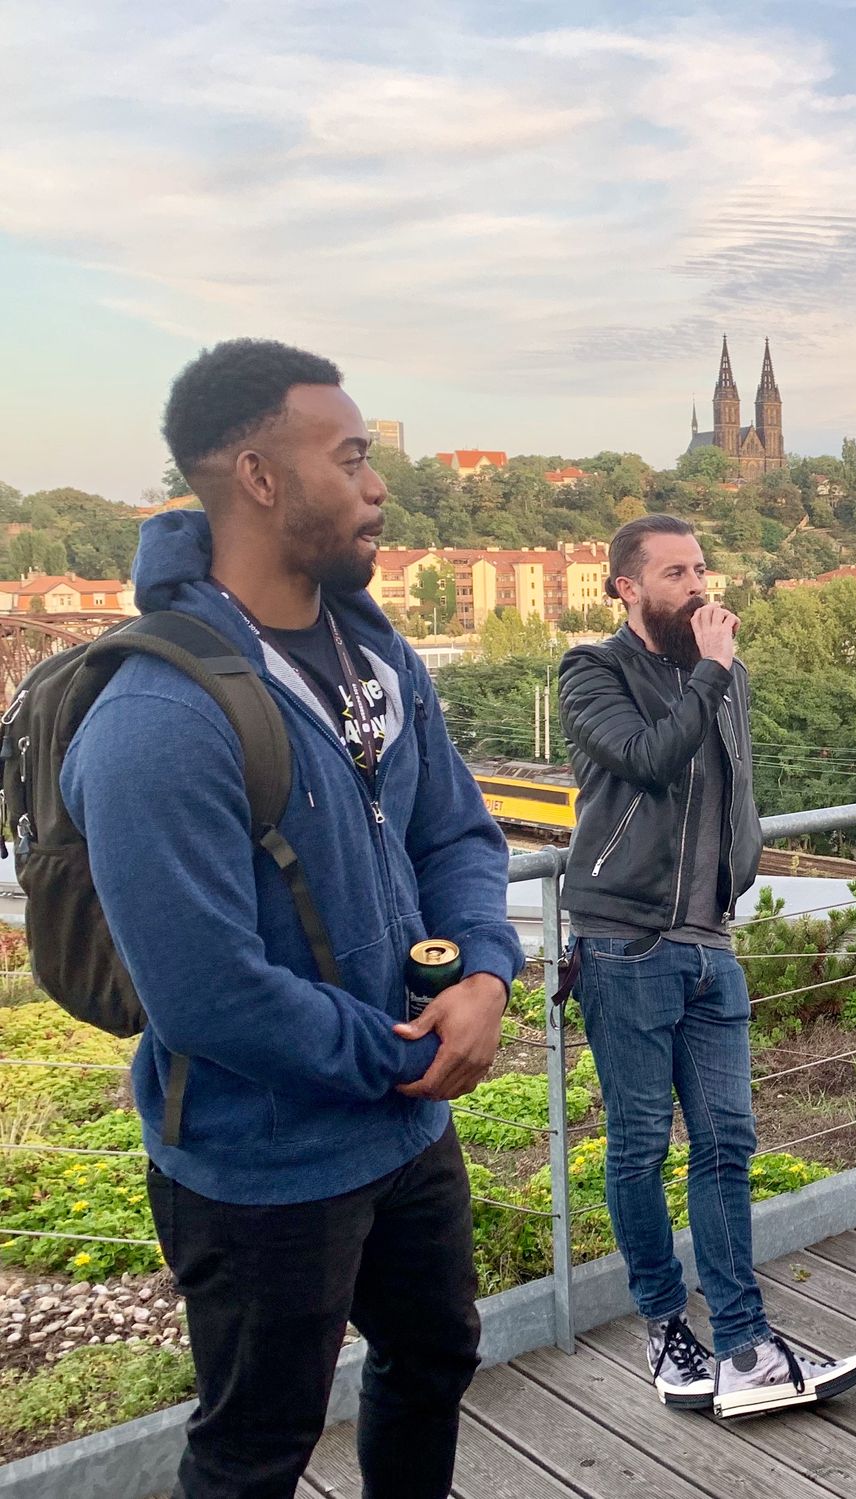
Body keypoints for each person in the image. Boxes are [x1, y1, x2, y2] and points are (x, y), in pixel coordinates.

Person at [64, 339, 524, 1497]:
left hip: (407, 1131)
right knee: (255, 1450)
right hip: (259, 1163)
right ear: (261, 477)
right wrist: (410, 1051)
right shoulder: (157, 718)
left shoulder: (378, 653)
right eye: (351, 457)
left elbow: (457, 834)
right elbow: (209, 996)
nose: (378, 485)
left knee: (434, 1355)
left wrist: (483, 973)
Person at [558, 513, 856, 1419]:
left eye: (701, 568)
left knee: (728, 1143)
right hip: (623, 941)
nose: (698, 585)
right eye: (675, 573)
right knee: (639, 1147)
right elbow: (649, 759)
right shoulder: (592, 670)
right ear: (627, 587)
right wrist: (710, 672)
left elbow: (734, 787)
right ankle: (666, 1329)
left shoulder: (724, 675)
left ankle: (742, 1342)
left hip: (710, 943)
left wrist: (741, 865)